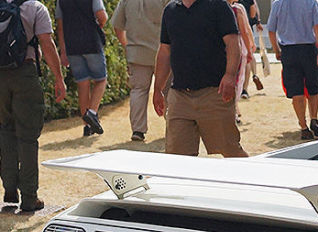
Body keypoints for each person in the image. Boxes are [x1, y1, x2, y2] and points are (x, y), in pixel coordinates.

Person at [153, 0, 248, 157]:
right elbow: (165, 50)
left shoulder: (218, 6)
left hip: (215, 93)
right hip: (180, 97)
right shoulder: (170, 10)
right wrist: (157, 88)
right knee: (177, 157)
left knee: (230, 151)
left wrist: (230, 75)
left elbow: (233, 42)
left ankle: (252, 180)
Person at [1, 0, 66, 212]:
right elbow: (47, 44)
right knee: (28, 137)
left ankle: (10, 188)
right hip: (25, 74)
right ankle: (29, 197)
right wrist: (59, 78)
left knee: (5, 130)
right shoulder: (35, 7)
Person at [111, 0, 169, 141]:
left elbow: (117, 26)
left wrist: (127, 45)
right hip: (162, 50)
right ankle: (173, 125)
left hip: (136, 51)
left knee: (138, 90)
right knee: (168, 90)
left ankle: (138, 130)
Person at [267, 0, 318, 139]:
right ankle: (314, 119)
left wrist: (276, 50)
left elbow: (271, 30)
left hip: (289, 50)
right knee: (314, 86)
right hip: (308, 48)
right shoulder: (311, 2)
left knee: (296, 90)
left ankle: (304, 126)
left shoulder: (278, 4)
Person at [56, 0, 108, 136]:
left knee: (82, 84)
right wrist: (100, 25)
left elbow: (60, 26)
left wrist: (63, 51)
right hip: (91, 42)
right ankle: (92, 113)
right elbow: (102, 16)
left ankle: (87, 127)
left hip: (72, 45)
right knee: (101, 80)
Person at [229, 0, 255, 121]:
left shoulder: (214, 7)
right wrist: (249, 50)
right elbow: (244, 31)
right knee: (237, 79)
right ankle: (233, 110)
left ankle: (232, 109)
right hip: (237, 46)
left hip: (221, 48)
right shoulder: (236, 9)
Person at [238, 0, 262, 96]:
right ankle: (245, 88)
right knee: (248, 56)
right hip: (245, 29)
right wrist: (258, 21)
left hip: (229, 31)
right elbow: (253, 13)